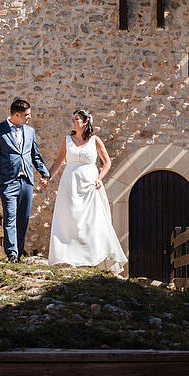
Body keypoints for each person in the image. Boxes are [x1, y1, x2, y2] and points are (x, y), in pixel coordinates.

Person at [47, 108, 127, 271]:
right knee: (69, 218)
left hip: (90, 184)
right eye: (72, 118)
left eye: (77, 119)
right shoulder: (67, 140)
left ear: (85, 122)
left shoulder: (94, 140)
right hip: (70, 184)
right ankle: (68, 256)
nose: (73, 121)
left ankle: (95, 256)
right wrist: (46, 177)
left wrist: (99, 178)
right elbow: (58, 161)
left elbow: (107, 162)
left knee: (92, 220)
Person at [0, 98, 50, 261]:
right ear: (17, 115)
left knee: (23, 219)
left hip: (26, 181)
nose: (29, 117)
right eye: (27, 115)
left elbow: (35, 155)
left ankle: (18, 254)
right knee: (10, 217)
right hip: (7, 182)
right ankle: (12, 254)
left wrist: (44, 173)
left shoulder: (30, 131)